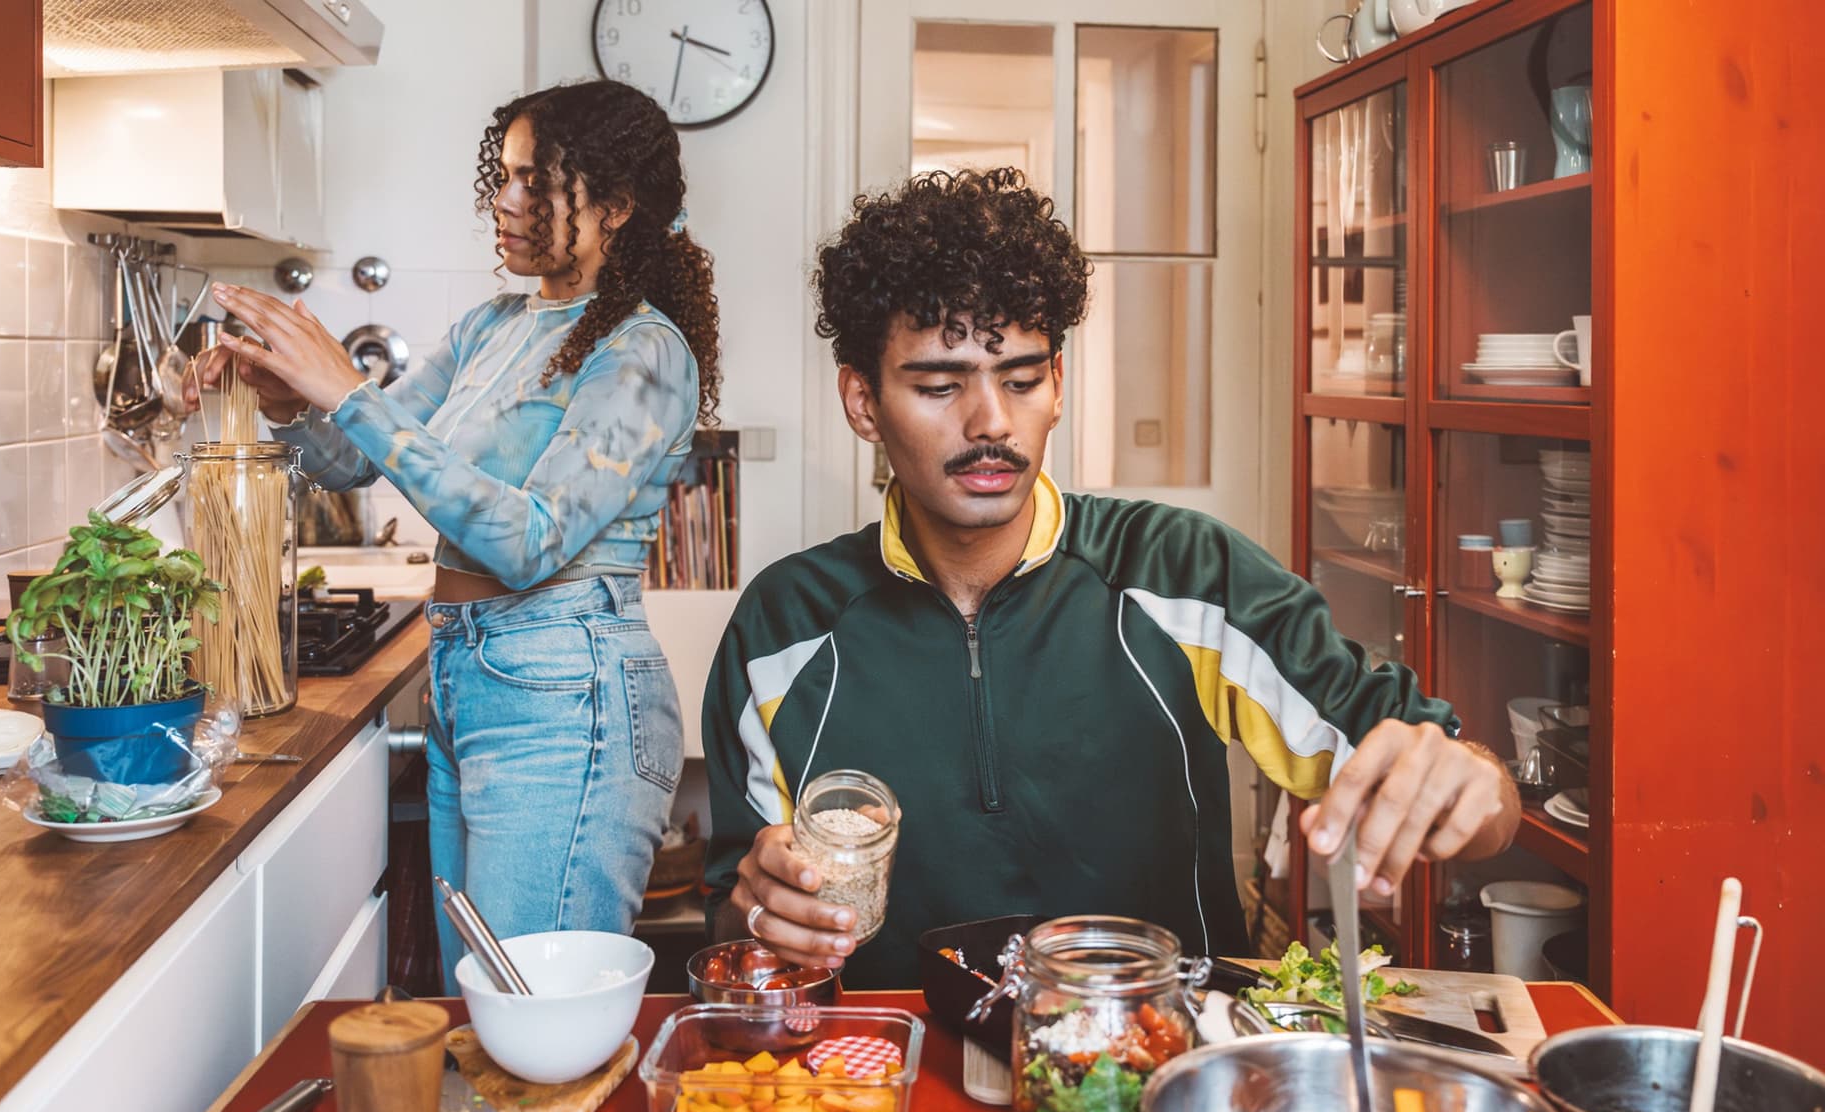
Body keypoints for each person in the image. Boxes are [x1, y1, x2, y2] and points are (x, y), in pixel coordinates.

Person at [703, 169, 1517, 988]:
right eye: (940, 386)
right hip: (891, 1076)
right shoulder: (784, 627)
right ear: (863, 402)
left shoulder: (1188, 576)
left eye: (1020, 380)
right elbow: (733, 918)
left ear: (1057, 385)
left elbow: (1457, 789)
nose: (990, 422)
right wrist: (760, 905)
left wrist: (1469, 780)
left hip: (1158, 1067)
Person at [190, 80, 721, 989]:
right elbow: (359, 461)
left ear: (618, 208)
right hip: (467, 674)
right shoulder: (493, 327)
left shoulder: (645, 351)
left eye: (536, 182)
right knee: (480, 997)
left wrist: (348, 393)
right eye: (505, 177)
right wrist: (295, 403)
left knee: (531, 1005)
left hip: (566, 695)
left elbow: (530, 540)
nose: (506, 204)